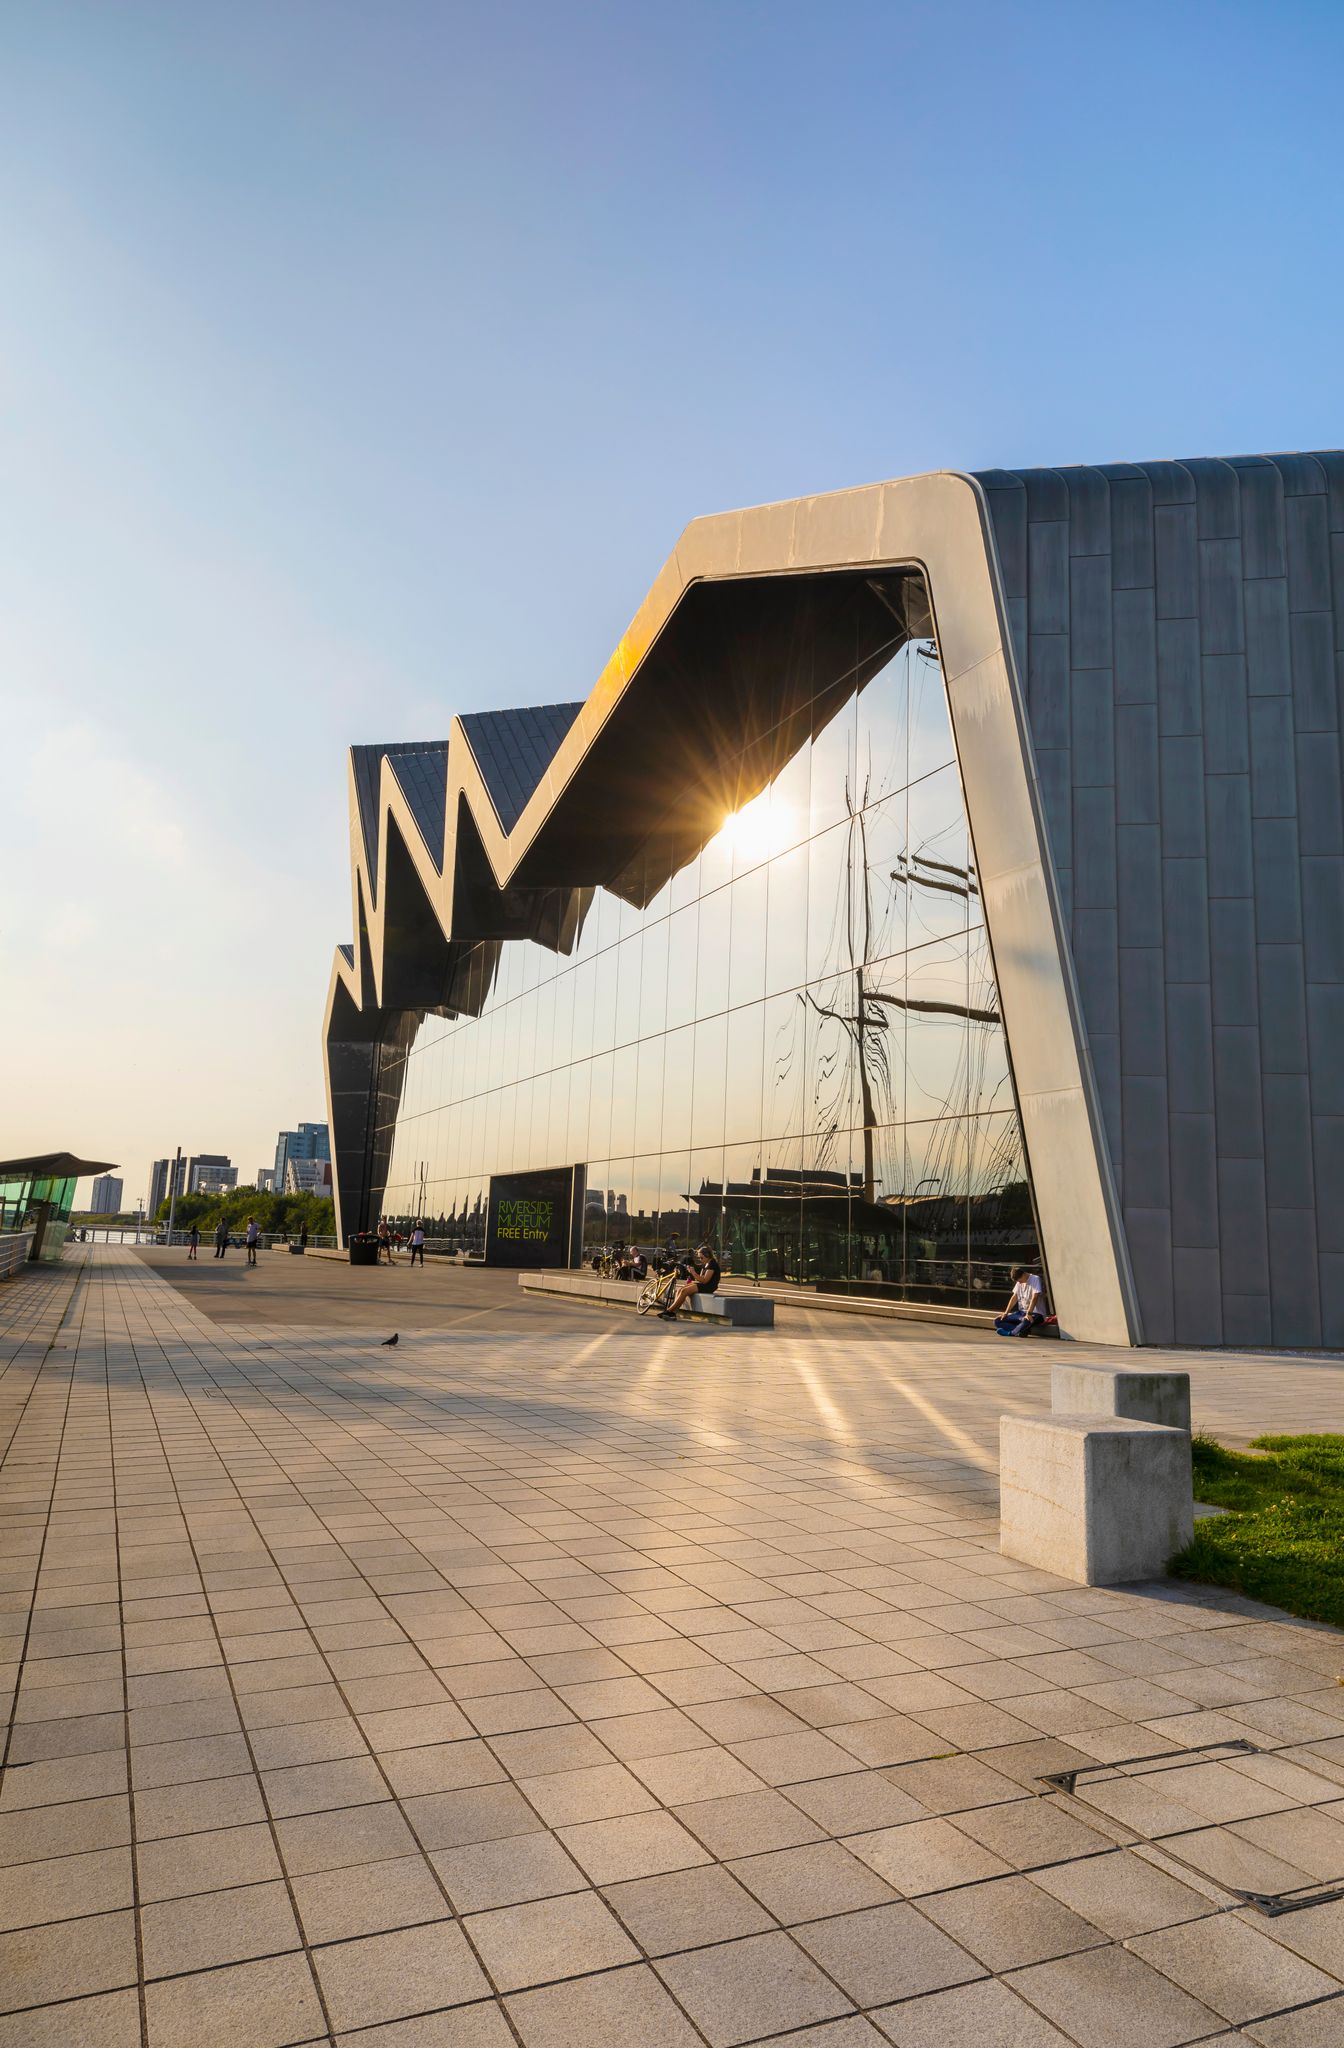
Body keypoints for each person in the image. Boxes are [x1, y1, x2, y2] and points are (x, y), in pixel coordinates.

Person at [660, 1241, 722, 1319]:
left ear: (707, 1256)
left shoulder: (712, 1264)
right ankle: (673, 1312)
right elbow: (700, 1278)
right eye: (699, 1258)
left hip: (709, 1286)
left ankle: (669, 1311)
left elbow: (705, 1280)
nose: (700, 1259)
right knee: (680, 1289)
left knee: (684, 1291)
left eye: (701, 1257)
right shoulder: (705, 1264)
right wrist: (691, 1274)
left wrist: (693, 1273)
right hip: (704, 1284)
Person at [996, 1264, 1045, 1338]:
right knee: (998, 1320)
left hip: (1036, 1313)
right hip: (1021, 1313)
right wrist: (1006, 1312)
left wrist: (1029, 1313)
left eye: (1020, 1281)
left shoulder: (1035, 1279)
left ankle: (1011, 1333)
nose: (1020, 1283)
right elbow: (1014, 1297)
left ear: (1023, 1275)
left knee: (1026, 1321)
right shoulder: (1019, 1282)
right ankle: (1021, 1330)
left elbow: (1035, 1298)